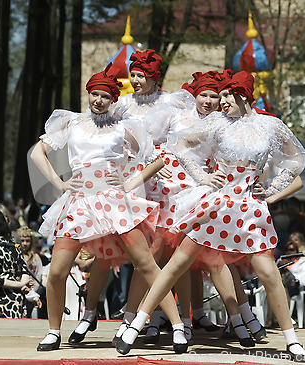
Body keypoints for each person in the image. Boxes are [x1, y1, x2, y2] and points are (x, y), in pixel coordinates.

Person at [116, 70, 305, 362]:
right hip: (217, 205)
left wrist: (270, 189)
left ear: (241, 96)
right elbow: (181, 147)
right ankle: (136, 325)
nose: (220, 101)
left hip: (248, 208)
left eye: (226, 96)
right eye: (218, 96)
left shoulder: (271, 125)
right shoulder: (217, 123)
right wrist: (202, 176)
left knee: (270, 274)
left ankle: (292, 340)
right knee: (176, 264)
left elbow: (296, 160)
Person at [30, 63, 186, 353]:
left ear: (113, 99)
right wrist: (59, 183)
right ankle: (53, 331)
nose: (98, 100)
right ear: (88, 94)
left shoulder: (123, 126)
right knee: (57, 271)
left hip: (114, 202)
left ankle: (178, 327)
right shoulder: (72, 123)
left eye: (104, 96)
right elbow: (38, 151)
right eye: (94, 94)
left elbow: (160, 156)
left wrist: (131, 180)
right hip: (79, 201)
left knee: (146, 264)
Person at [17, 226, 44, 318]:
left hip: (33, 294)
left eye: (27, 241)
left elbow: (39, 275)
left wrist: (33, 292)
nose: (25, 244)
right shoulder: (14, 256)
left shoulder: (35, 257)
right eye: (22, 240)